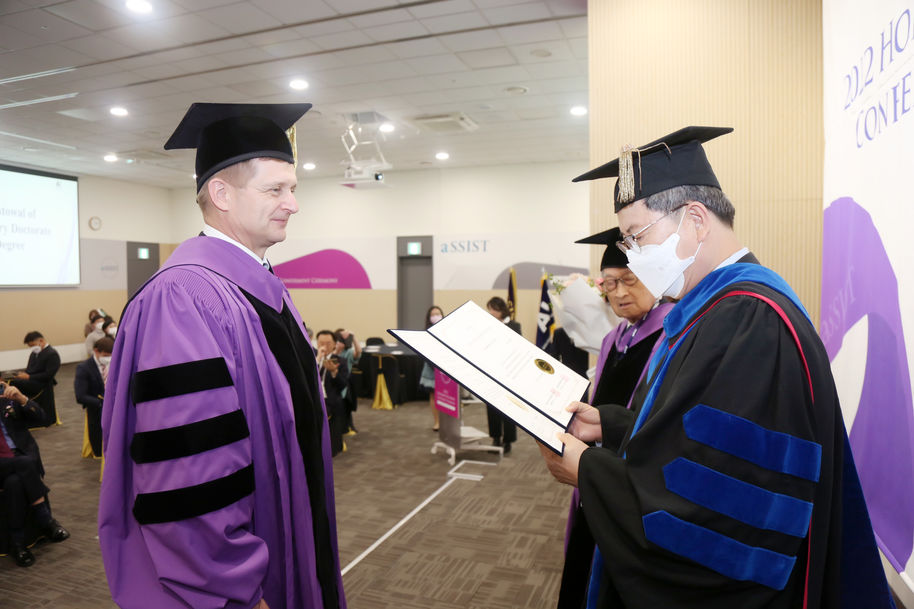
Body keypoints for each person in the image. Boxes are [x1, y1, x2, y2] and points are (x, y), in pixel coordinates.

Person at [540, 126, 894, 608]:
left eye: (636, 237)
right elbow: (693, 437)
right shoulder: (712, 310)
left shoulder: (752, 320)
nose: (633, 257)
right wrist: (614, 427)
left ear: (696, 220)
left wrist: (591, 475)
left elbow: (721, 512)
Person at [98, 103, 346, 609]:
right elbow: (189, 473)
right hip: (235, 580)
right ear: (220, 193)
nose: (293, 203)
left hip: (292, 532)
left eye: (293, 188)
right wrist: (229, 586)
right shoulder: (183, 299)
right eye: (276, 189)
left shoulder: (264, 287)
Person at [557, 227, 674, 609]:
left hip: (637, 487)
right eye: (609, 283)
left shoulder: (674, 335)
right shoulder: (614, 339)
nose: (620, 293)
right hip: (597, 477)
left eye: (629, 280)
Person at [0, 382, 70, 567]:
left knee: (15, 482)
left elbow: (43, 419)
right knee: (26, 463)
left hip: (17, 458)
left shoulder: (8, 397)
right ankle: (46, 519)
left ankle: (17, 544)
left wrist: (22, 400)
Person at [485, 297, 520, 453]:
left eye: (493, 309)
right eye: (489, 309)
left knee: (508, 408)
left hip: (508, 373)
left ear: (501, 309)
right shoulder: (486, 326)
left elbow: (518, 347)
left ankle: (508, 441)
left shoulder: (514, 325)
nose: (491, 312)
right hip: (491, 371)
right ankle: (495, 438)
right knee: (492, 407)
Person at [10, 331, 60, 426]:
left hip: (42, 383)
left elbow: (49, 375)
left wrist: (29, 377)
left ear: (41, 341)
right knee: (10, 381)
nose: (32, 348)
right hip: (32, 380)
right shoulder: (34, 353)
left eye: (32, 345)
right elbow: (29, 369)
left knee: (13, 384)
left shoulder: (52, 354)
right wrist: (23, 374)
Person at [74, 336, 113, 458]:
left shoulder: (115, 364)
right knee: (100, 448)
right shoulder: (84, 368)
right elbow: (80, 396)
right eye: (106, 355)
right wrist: (102, 403)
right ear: (96, 351)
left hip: (115, 411)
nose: (108, 358)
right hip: (96, 412)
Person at [316, 331, 350, 457]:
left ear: (335, 344)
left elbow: (343, 385)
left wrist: (334, 372)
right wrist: (318, 359)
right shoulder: (312, 358)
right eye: (321, 343)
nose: (324, 345)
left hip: (330, 400)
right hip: (314, 399)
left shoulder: (341, 361)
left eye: (328, 343)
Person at [419, 306, 444, 431]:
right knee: (434, 395)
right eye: (433, 314)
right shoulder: (426, 333)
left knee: (447, 396)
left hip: (446, 369)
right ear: (429, 318)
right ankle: (437, 422)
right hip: (431, 368)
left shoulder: (447, 330)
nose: (436, 316)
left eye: (438, 314)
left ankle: (448, 422)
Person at [334, 328, 361, 434]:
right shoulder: (332, 351)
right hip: (332, 382)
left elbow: (358, 352)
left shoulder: (348, 352)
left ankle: (348, 426)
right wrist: (336, 350)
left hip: (345, 384)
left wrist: (353, 337)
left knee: (346, 406)